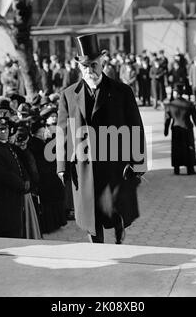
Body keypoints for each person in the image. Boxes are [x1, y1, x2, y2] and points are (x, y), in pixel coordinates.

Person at [56, 34, 146, 244]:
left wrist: (138, 163)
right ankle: (98, 251)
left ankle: (118, 238)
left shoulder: (122, 91)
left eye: (94, 65)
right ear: (79, 67)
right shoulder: (69, 94)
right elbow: (63, 132)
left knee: (115, 210)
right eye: (85, 66)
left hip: (115, 163)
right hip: (85, 167)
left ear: (102, 63)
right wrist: (61, 165)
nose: (90, 71)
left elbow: (136, 127)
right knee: (91, 215)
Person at [0, 115, 31, 238]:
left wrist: (26, 179)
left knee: (17, 227)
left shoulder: (6, 146)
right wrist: (21, 184)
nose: (5, 132)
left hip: (14, 195)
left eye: (7, 129)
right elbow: (3, 174)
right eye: (1, 129)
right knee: (9, 230)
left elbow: (19, 164)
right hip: (4, 197)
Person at [164, 84, 196, 175]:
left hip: (176, 129)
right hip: (187, 127)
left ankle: (176, 169)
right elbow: (195, 118)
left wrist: (166, 130)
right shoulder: (189, 104)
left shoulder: (170, 105)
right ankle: (190, 169)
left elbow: (167, 119)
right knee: (189, 148)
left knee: (176, 148)